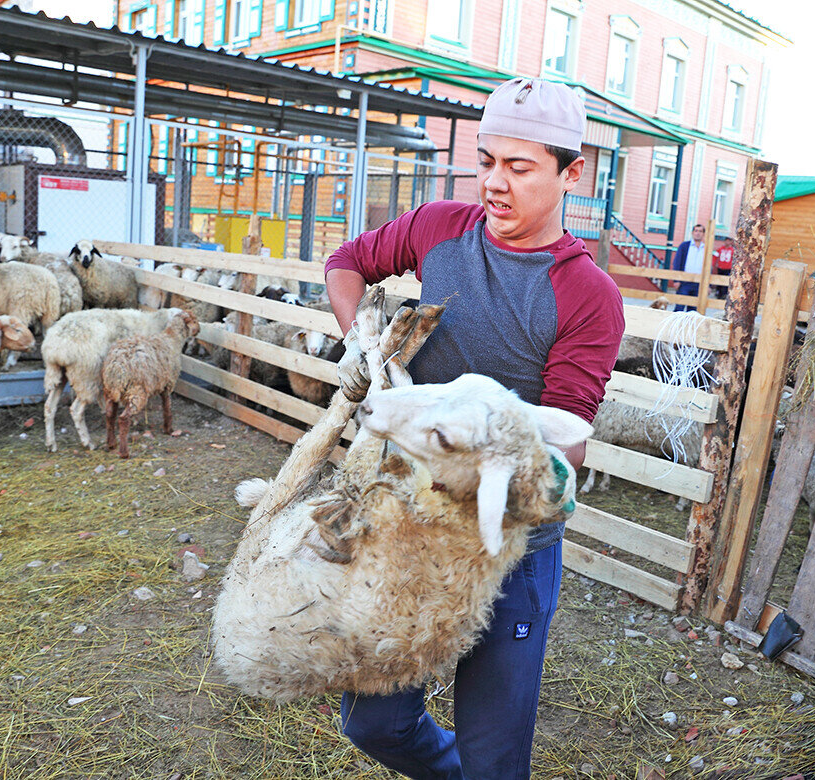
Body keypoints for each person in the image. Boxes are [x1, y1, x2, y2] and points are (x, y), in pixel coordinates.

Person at [323, 78, 624, 780]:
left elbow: (565, 442)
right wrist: (362, 344)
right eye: (486, 160)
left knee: (496, 761)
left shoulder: (587, 294)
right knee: (373, 722)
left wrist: (482, 461)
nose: (494, 182)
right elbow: (347, 265)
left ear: (570, 172)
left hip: (510, 544)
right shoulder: (439, 229)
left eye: (519, 168)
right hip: (409, 524)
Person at [670, 223, 706, 311]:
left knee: (693, 310)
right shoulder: (684, 246)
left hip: (699, 283)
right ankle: (676, 325)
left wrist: (708, 285)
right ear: (692, 233)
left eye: (700, 231)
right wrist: (676, 280)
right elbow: (677, 262)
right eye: (696, 231)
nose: (698, 233)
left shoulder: (706, 248)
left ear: (703, 234)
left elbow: (709, 267)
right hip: (684, 281)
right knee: (679, 307)